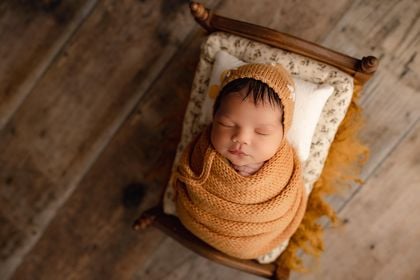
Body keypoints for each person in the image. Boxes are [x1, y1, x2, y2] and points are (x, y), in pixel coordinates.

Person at [173, 63, 307, 260]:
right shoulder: (201, 150)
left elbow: (285, 200)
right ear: (214, 117)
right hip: (196, 219)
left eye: (262, 132)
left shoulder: (283, 167)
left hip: (255, 236)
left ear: (283, 133)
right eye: (226, 124)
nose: (241, 138)